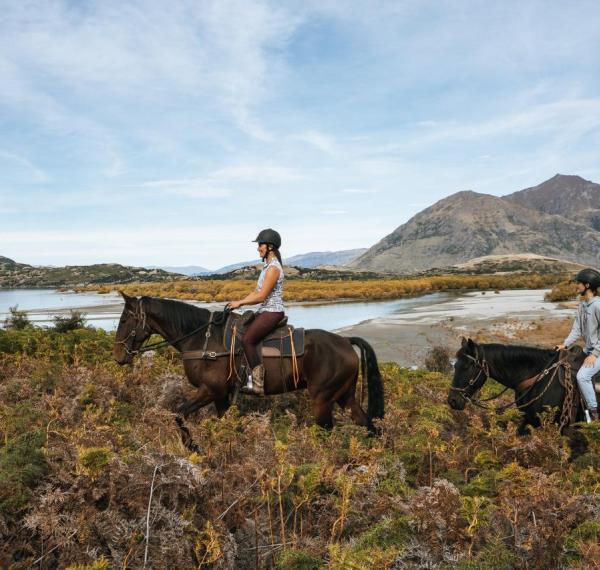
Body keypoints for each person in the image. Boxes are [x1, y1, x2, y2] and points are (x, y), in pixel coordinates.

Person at [228, 229, 285, 395]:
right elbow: (255, 292)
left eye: (260, 244)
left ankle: (258, 383)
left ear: (270, 247)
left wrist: (241, 302)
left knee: (247, 340)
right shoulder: (267, 267)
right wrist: (238, 303)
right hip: (265, 310)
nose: (258, 248)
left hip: (272, 311)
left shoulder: (274, 268)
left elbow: (261, 296)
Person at [555, 268, 600, 421]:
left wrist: (594, 354)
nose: (577, 286)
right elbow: (577, 330)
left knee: (582, 376)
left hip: (597, 352)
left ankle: (593, 413)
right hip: (588, 349)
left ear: (587, 285)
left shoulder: (598, 306)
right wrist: (564, 344)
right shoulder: (582, 306)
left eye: (579, 283)